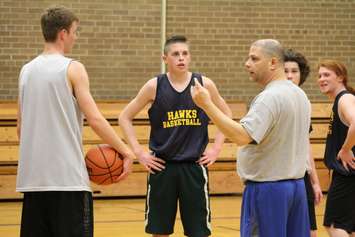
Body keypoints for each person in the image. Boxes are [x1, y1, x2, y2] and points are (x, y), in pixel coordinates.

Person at [16, 6, 134, 237]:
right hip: (67, 182)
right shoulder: (73, 68)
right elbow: (95, 119)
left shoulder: (25, 71)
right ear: (63, 34)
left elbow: (21, 129)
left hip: (32, 183)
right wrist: (126, 151)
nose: (75, 37)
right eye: (74, 31)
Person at [191, 39, 311, 237]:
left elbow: (242, 136)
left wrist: (207, 105)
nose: (247, 63)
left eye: (254, 58)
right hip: (296, 188)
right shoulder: (300, 95)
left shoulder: (269, 98)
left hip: (268, 190)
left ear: (273, 62)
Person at [119, 35, 231, 237]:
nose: (181, 58)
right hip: (162, 167)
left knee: (198, 232)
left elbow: (227, 114)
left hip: (194, 166)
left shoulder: (204, 84)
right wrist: (139, 152)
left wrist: (216, 148)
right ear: (165, 58)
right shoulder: (154, 85)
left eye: (185, 53)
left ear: (190, 57)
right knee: (159, 232)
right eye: (175, 54)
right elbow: (124, 117)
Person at [284, 48, 323, 237]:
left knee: (310, 231)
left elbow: (305, 146)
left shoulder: (303, 103)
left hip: (301, 177)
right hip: (279, 178)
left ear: (302, 75)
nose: (290, 76)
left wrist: (315, 182)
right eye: (286, 71)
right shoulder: (272, 100)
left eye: (294, 71)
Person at [317, 60, 355, 237]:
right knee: (349, 228)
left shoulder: (345, 99)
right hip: (348, 174)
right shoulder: (342, 100)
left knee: (334, 225)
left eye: (326, 75)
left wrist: (346, 149)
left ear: (341, 77)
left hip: (348, 174)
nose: (321, 79)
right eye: (319, 75)